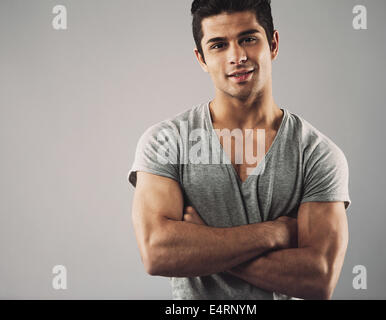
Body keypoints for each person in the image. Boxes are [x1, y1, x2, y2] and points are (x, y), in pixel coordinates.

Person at [128, 0, 351, 300]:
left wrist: (203, 246)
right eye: (219, 45)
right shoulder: (167, 141)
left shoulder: (316, 154)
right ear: (201, 58)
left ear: (273, 44)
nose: (237, 56)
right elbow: (157, 253)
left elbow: (318, 278)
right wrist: (275, 233)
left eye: (248, 39)